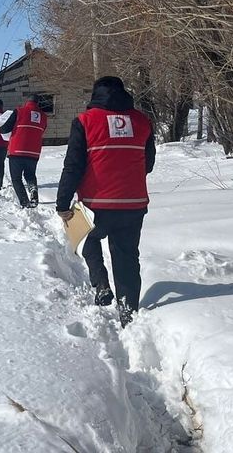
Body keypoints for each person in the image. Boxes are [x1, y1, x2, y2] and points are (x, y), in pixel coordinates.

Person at [55, 76, 155, 327]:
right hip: (133, 204)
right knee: (127, 257)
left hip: (94, 203)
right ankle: (128, 313)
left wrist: (63, 203)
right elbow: (149, 164)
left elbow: (73, 166)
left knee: (85, 238)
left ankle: (100, 283)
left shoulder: (85, 122)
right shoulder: (143, 122)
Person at [0, 94, 48, 208]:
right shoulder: (44, 116)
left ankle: (24, 202)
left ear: (27, 101)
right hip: (34, 152)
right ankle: (33, 193)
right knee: (30, 175)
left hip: (17, 150)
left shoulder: (19, 111)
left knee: (16, 178)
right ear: (38, 103)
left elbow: (6, 128)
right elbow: (42, 130)